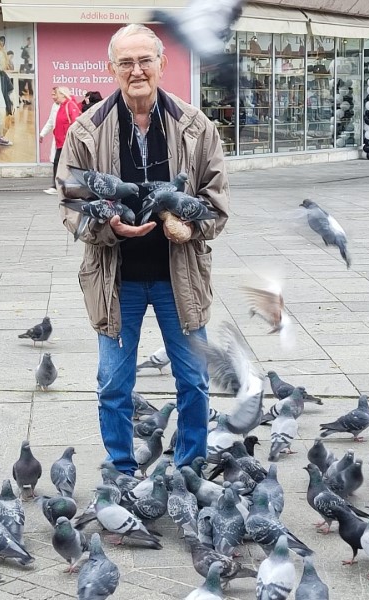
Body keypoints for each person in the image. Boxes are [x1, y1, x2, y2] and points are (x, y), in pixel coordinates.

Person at [57, 24, 230, 474]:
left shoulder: (196, 127)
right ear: (112, 69)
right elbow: (70, 204)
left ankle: (190, 468)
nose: (137, 71)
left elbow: (217, 206)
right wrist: (106, 226)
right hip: (116, 278)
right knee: (114, 383)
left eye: (145, 60)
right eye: (126, 62)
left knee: (193, 380)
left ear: (162, 65)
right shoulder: (86, 130)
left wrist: (189, 229)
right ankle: (122, 470)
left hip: (180, 278)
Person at [43, 87, 80, 195]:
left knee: (62, 163)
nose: (54, 97)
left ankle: (59, 186)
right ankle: (60, 185)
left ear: (63, 95)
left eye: (57, 94)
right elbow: (54, 122)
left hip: (66, 141)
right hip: (60, 141)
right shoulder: (60, 107)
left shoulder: (70, 105)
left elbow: (75, 123)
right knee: (59, 163)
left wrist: (70, 138)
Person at [39, 88, 63, 193]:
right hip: (57, 138)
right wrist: (42, 133)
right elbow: (50, 121)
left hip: (64, 139)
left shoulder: (67, 106)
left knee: (59, 161)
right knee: (55, 161)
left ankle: (57, 185)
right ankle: (56, 185)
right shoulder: (55, 106)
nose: (53, 97)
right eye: (52, 94)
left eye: (55, 94)